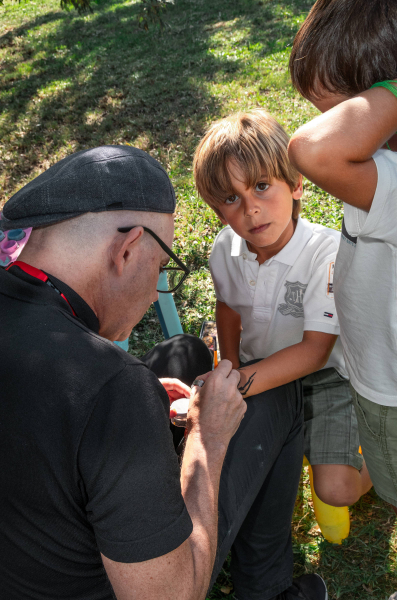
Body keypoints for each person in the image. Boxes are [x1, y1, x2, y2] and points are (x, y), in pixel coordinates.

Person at [0, 145, 316, 600]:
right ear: (127, 251)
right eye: (163, 267)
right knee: (275, 395)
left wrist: (140, 401)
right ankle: (268, 589)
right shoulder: (111, 387)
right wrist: (209, 436)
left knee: (184, 352)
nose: (155, 293)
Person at [194, 108, 371, 507]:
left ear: (295, 184)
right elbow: (228, 307)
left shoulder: (325, 252)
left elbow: (314, 352)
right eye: (230, 198)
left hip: (326, 378)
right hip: (258, 369)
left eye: (260, 186)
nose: (250, 209)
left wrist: (237, 383)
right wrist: (231, 364)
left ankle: (379, 464)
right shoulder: (225, 248)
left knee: (336, 491)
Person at [287, 1, 397, 599]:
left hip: (393, 391)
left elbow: (314, 152)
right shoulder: (386, 169)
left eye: (339, 114)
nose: (323, 126)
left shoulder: (396, 179)